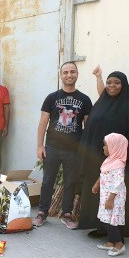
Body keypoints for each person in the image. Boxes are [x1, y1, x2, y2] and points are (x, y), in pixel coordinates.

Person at [76, 68, 129, 239]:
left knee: (115, 197)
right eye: (109, 82)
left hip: (120, 162)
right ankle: (101, 228)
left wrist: (125, 160)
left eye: (116, 82)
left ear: (123, 85)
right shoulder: (101, 103)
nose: (112, 86)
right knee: (99, 195)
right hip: (98, 158)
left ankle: (117, 234)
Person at [35, 62, 92, 229]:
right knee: (47, 182)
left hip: (74, 149)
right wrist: (40, 146)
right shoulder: (52, 97)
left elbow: (88, 128)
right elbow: (43, 123)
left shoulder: (85, 100)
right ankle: (42, 212)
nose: (69, 75)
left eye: (72, 72)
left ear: (77, 74)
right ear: (61, 75)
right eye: (66, 72)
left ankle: (67, 214)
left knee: (70, 182)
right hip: (52, 147)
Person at [93, 133, 128, 257]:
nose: (103, 148)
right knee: (108, 218)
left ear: (115, 147)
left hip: (114, 198)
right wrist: (97, 184)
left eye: (106, 145)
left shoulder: (118, 164)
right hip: (107, 195)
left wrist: (111, 199)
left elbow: (118, 183)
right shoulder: (109, 161)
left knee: (113, 220)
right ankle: (110, 242)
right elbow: (103, 173)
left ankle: (119, 244)